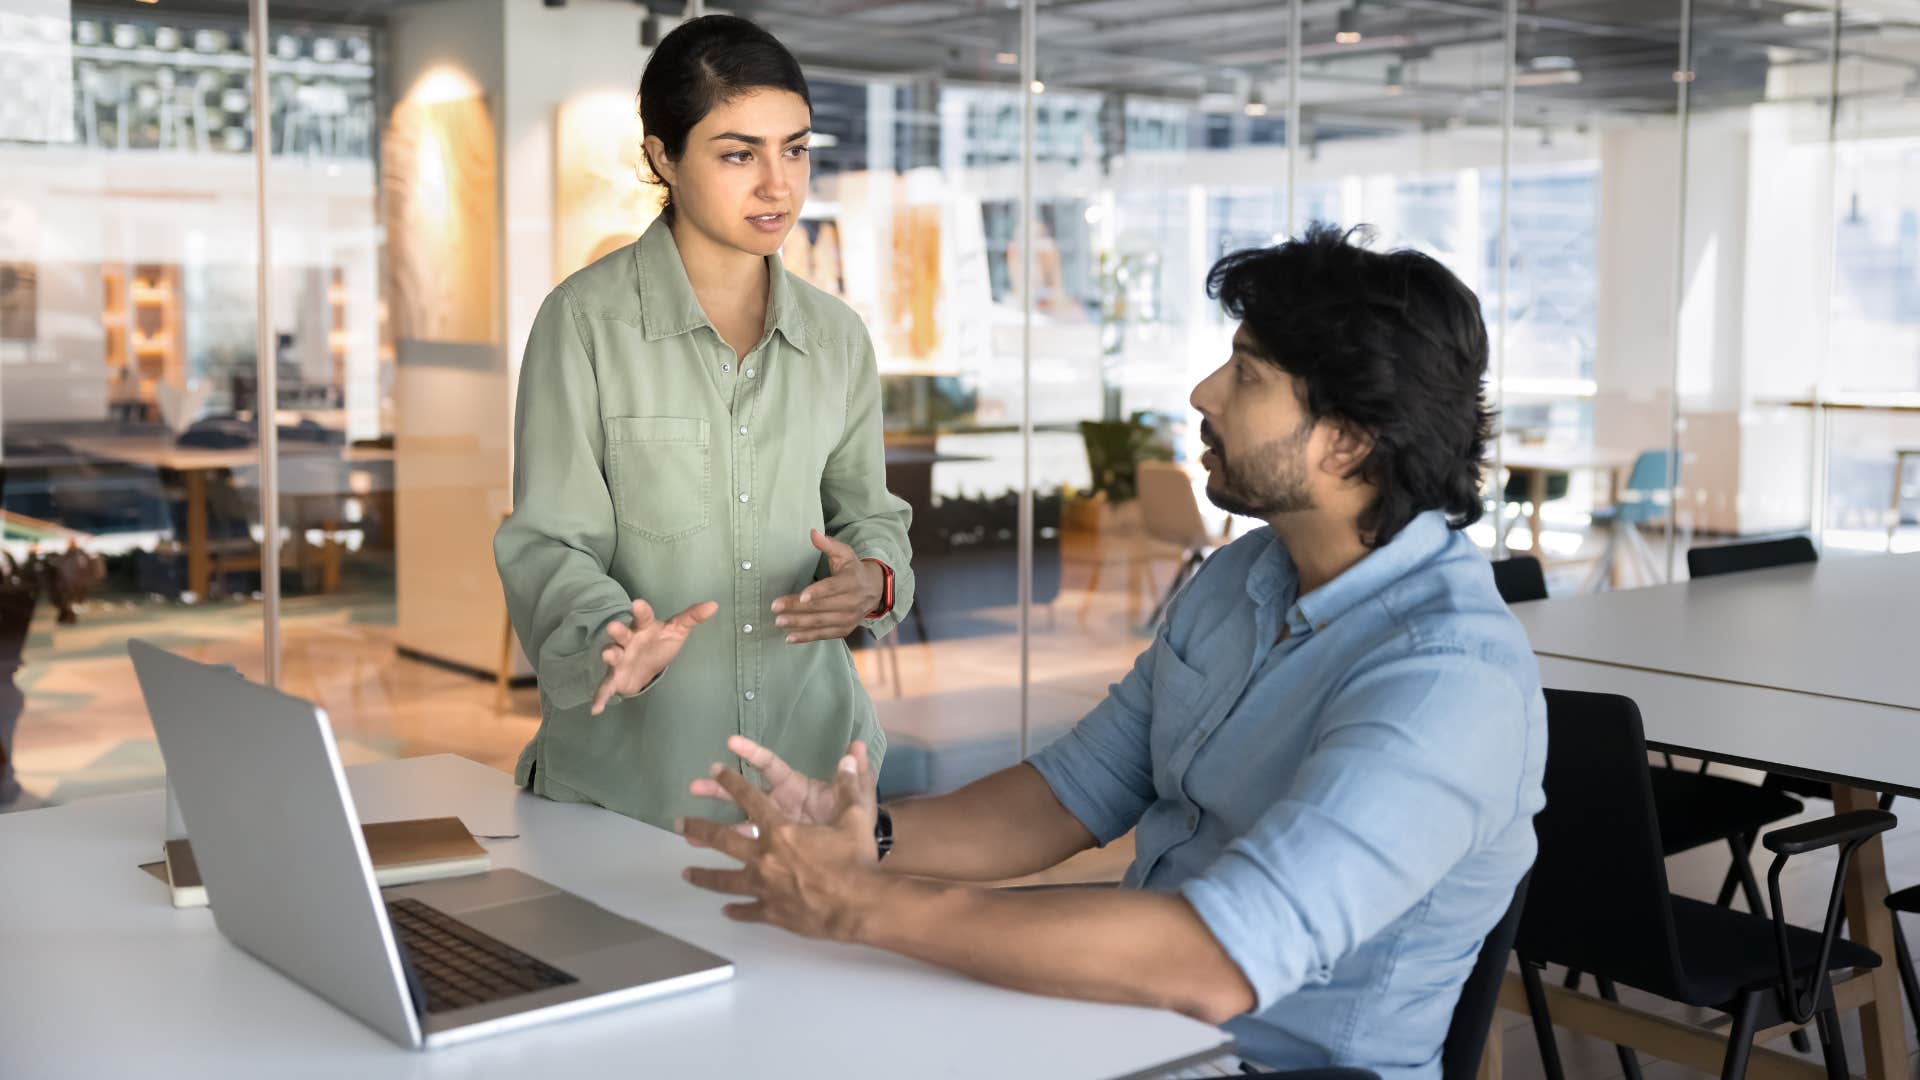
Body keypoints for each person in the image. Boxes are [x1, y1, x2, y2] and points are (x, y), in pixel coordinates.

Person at [675, 224, 1546, 1077]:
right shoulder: (1244, 576)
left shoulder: (1448, 684)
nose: (1204, 393)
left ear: (1347, 439)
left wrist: (863, 906)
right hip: (1137, 1026)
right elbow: (1068, 796)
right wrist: (867, 835)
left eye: (1247, 374)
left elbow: (1212, 963)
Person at [495, 15, 913, 829]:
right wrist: (612, 637)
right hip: (631, 786)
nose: (777, 185)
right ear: (663, 156)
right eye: (738, 153)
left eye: (794, 149)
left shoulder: (837, 337)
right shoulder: (582, 323)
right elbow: (549, 542)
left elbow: (869, 514)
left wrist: (869, 581)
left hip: (816, 778)